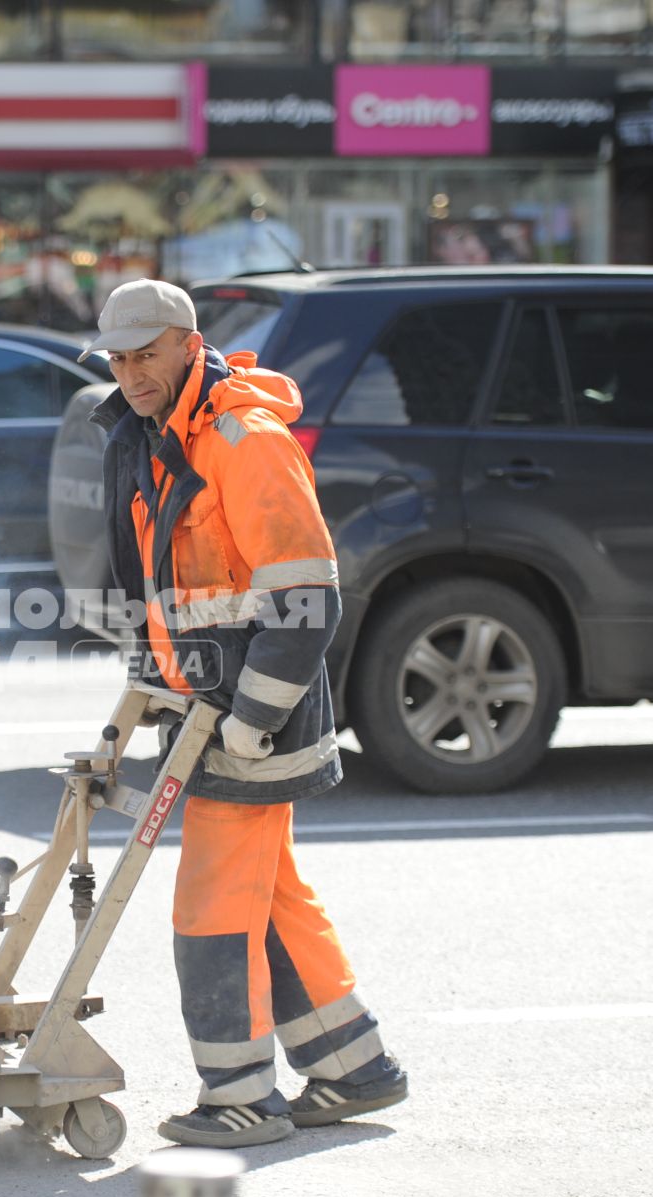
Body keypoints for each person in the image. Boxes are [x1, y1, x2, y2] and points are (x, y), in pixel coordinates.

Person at [81, 278, 408, 1148]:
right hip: (207, 710)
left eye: (145, 353)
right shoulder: (161, 435)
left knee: (212, 904)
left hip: (251, 718)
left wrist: (251, 721)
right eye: (118, 357)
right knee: (269, 896)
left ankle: (240, 1094)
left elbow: (307, 600)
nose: (130, 371)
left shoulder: (242, 438)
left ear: (189, 344)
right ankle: (351, 1065)